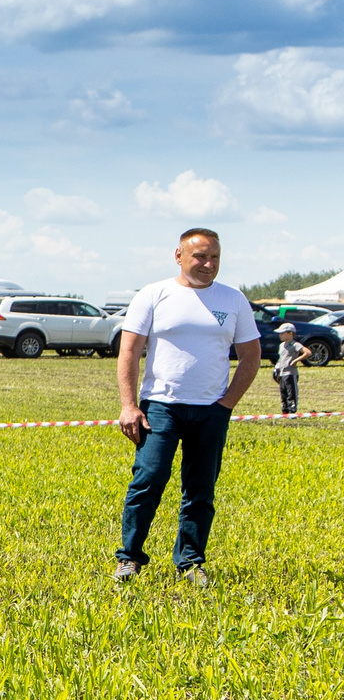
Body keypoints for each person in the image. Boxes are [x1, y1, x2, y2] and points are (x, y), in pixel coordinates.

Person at [112, 228, 260, 586]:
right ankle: (129, 557)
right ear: (179, 256)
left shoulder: (233, 299)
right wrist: (129, 406)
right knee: (148, 480)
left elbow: (251, 355)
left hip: (211, 410)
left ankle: (191, 562)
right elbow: (129, 351)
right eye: (200, 256)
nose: (208, 264)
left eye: (214, 257)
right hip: (161, 407)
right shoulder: (154, 294)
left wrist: (226, 404)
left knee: (200, 489)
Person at [274, 322, 305, 416]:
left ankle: (292, 410)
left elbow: (307, 352)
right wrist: (276, 369)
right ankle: (285, 410)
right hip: (282, 373)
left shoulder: (295, 344)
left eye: (282, 333)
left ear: (290, 333)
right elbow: (281, 358)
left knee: (291, 393)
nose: (280, 335)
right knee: (283, 393)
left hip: (291, 373)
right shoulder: (281, 345)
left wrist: (296, 360)